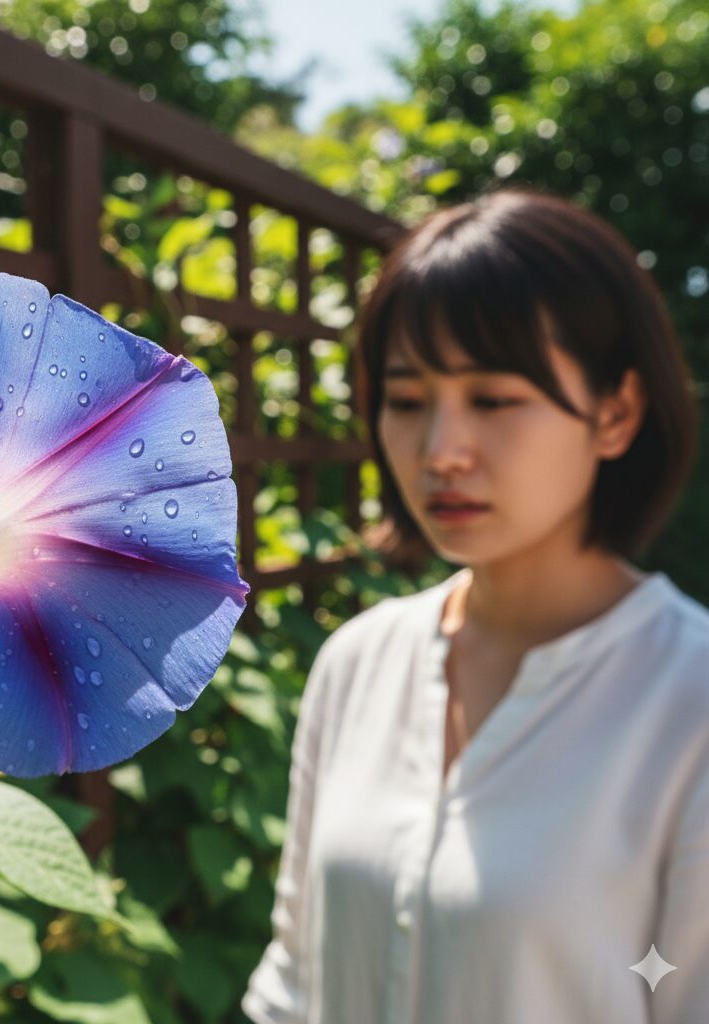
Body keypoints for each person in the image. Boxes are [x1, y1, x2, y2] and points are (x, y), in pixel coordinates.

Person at [241, 186, 709, 1024]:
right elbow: (295, 982)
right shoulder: (358, 660)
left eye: (493, 399)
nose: (441, 451)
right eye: (409, 399)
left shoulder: (689, 698)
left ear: (616, 411)